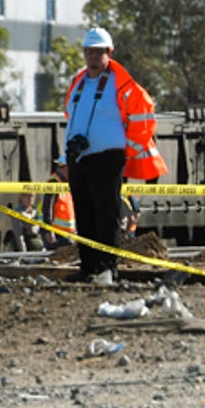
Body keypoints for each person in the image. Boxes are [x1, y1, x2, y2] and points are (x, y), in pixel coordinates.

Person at [63, 27, 167, 282]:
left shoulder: (122, 85)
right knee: (84, 214)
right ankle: (88, 268)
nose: (93, 57)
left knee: (106, 215)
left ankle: (107, 268)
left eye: (99, 52)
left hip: (108, 158)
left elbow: (144, 117)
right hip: (79, 158)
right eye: (89, 51)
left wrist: (126, 150)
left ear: (108, 53)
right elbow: (71, 119)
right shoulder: (78, 83)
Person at [40, 154, 77, 249]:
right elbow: (47, 206)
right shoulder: (54, 183)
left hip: (67, 233)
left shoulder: (66, 184)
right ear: (65, 167)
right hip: (56, 233)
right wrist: (49, 230)